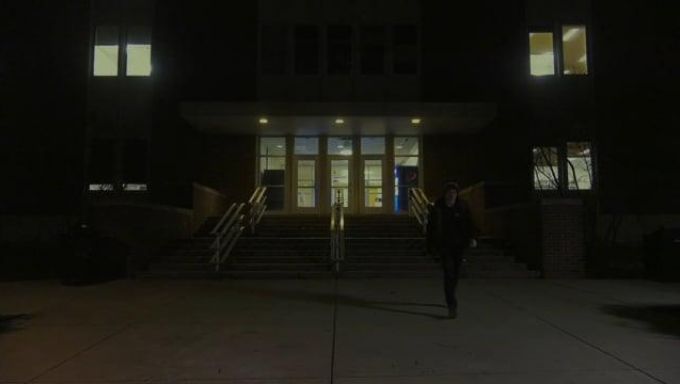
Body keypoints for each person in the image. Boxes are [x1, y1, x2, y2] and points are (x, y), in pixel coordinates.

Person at [426, 181, 478, 319]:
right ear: (445, 194)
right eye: (449, 193)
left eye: (454, 193)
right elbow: (430, 228)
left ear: (457, 194)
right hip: (444, 247)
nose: (451, 195)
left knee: (455, 274)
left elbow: (470, 222)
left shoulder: (462, 207)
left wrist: (472, 237)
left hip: (459, 246)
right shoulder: (438, 208)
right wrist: (430, 246)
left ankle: (451, 295)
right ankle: (452, 305)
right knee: (449, 273)